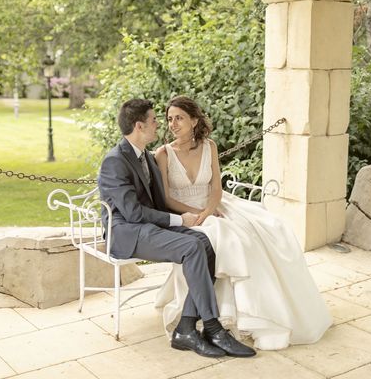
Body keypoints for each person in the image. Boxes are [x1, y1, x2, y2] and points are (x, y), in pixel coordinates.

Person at [154, 96, 332, 350]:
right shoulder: (164, 153)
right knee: (228, 238)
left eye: (179, 117)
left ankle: (265, 310)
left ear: (194, 120)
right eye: (170, 119)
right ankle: (221, 316)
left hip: (215, 205)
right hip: (186, 213)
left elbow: (216, 188)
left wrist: (211, 208)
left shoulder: (209, 146)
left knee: (269, 228)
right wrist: (198, 214)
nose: (173, 124)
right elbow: (167, 198)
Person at [98, 98, 256, 358]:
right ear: (139, 126)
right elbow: (133, 213)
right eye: (153, 120)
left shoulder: (146, 157)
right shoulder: (115, 161)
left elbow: (161, 200)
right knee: (193, 246)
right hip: (127, 232)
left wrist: (201, 211)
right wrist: (180, 220)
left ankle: (185, 328)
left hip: (149, 226)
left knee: (207, 243)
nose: (159, 124)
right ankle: (213, 328)